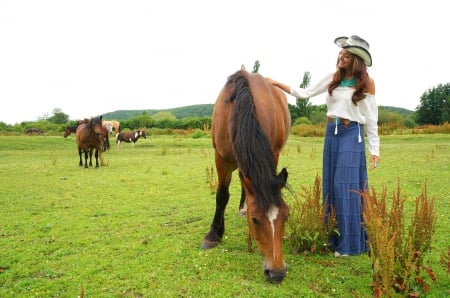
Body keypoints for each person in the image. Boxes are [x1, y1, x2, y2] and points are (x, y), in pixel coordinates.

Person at [267, 35, 380, 257]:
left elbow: (372, 119)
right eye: (340, 53)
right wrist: (276, 83)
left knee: (344, 187)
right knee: (330, 187)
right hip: (332, 135)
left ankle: (349, 244)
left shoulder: (367, 83)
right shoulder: (333, 78)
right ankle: (333, 238)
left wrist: (374, 150)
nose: (341, 57)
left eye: (346, 55)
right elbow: (305, 93)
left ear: (356, 60)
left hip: (352, 134)